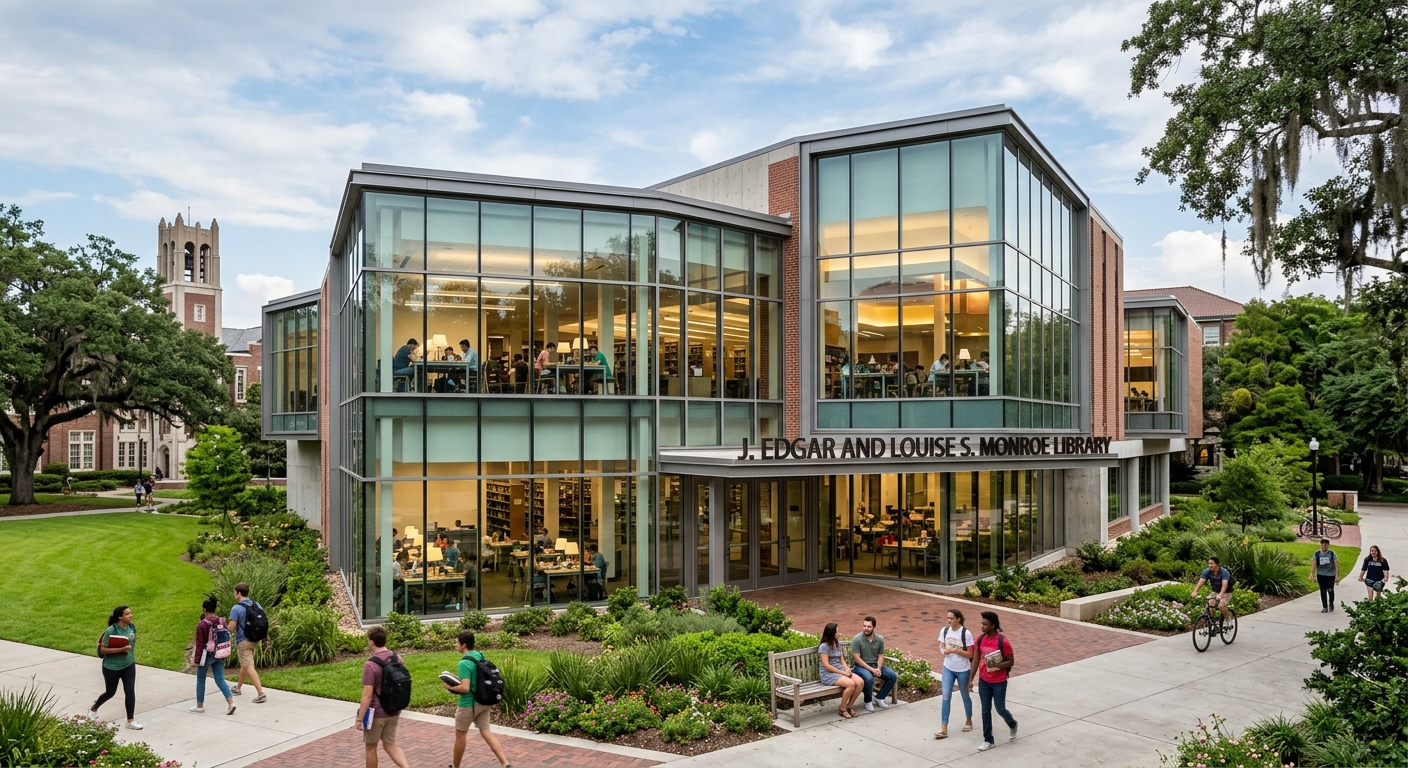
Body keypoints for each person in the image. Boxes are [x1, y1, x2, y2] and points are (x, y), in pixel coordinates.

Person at [445, 631, 511, 768]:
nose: (455, 644)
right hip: (484, 701)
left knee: (460, 735)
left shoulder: (464, 663)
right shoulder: (480, 655)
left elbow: (465, 688)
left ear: (464, 645)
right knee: (486, 731)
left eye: (456, 642)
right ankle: (505, 763)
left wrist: (450, 687)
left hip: (468, 704)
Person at [358, 626, 411, 768]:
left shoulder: (370, 665)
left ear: (371, 642)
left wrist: (360, 718)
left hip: (376, 713)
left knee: (370, 747)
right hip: (394, 710)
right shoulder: (397, 658)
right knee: (390, 744)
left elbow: (367, 695)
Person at [970, 611, 1016, 751]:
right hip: (984, 681)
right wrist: (970, 679)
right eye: (981, 623)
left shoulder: (1003, 641)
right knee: (985, 710)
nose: (982, 626)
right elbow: (976, 660)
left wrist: (997, 665)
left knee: (1000, 708)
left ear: (993, 625)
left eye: (985, 624)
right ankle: (988, 740)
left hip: (999, 681)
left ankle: (1012, 724)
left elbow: (1011, 661)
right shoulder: (980, 639)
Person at [89, 605, 142, 729]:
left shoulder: (131, 628)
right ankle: (94, 708)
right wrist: (121, 649)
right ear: (120, 617)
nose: (131, 615)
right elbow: (103, 650)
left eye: (131, 613)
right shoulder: (111, 630)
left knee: (130, 691)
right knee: (110, 692)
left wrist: (127, 652)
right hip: (111, 667)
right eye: (127, 614)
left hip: (128, 664)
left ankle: (130, 721)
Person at [191, 596, 236, 716]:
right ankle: (230, 702)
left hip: (207, 655)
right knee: (220, 679)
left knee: (201, 679)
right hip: (220, 653)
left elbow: (200, 644)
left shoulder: (202, 624)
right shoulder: (221, 620)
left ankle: (200, 705)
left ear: (204, 610)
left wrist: (197, 660)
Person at [935, 608, 975, 739]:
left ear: (958, 619)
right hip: (948, 667)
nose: (949, 620)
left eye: (951, 618)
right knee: (946, 696)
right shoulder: (945, 630)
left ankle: (969, 719)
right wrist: (944, 650)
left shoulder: (966, 633)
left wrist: (955, 650)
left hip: (963, 669)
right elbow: (941, 645)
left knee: (964, 695)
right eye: (948, 618)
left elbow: (970, 653)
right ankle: (943, 727)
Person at [228, 583, 267, 702]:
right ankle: (238, 687)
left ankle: (261, 693)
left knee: (248, 666)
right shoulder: (257, 604)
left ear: (239, 593)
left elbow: (231, 627)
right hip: (254, 639)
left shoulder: (236, 608)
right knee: (245, 664)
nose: (234, 594)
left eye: (235, 592)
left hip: (243, 640)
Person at [850, 616, 897, 712]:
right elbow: (857, 658)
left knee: (892, 675)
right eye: (864, 626)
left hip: (875, 665)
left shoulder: (879, 639)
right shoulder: (857, 639)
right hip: (860, 667)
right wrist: (872, 670)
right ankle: (868, 701)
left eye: (869, 627)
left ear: (874, 627)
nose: (866, 629)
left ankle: (880, 697)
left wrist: (878, 668)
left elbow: (880, 655)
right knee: (868, 678)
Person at [817, 622, 863, 718]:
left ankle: (849, 706)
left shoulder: (838, 644)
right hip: (828, 674)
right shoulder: (824, 647)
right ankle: (842, 709)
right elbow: (827, 666)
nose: (839, 633)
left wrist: (847, 670)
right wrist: (843, 673)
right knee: (851, 684)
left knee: (860, 682)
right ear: (831, 633)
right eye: (837, 632)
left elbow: (842, 660)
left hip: (841, 671)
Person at [1192, 556, 1232, 622]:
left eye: (1212, 563)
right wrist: (1195, 591)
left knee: (1221, 606)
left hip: (1226, 593)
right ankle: (1212, 623)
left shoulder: (1224, 572)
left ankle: (1228, 618)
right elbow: (1201, 581)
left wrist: (1221, 594)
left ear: (1217, 564)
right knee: (1209, 606)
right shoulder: (1207, 571)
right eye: (1209, 563)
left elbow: (1225, 584)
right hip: (1215, 592)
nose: (1210, 565)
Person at [1311, 538, 1340, 612]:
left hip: (1330, 575)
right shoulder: (1317, 553)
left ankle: (1331, 602)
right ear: (1320, 545)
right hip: (1321, 574)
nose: (1324, 546)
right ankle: (1324, 607)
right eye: (1322, 545)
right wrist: (1312, 574)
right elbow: (1314, 564)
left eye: (1325, 545)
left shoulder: (1332, 553)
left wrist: (1337, 576)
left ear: (1328, 545)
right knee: (1323, 590)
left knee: (1330, 590)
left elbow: (1336, 565)